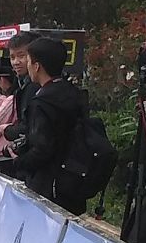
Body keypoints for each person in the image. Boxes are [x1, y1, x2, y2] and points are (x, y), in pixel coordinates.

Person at [16, 35, 93, 211]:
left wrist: (19, 162)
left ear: (37, 66)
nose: (27, 66)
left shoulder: (42, 102)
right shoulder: (74, 93)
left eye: (28, 61)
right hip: (73, 182)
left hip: (47, 189)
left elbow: (42, 149)